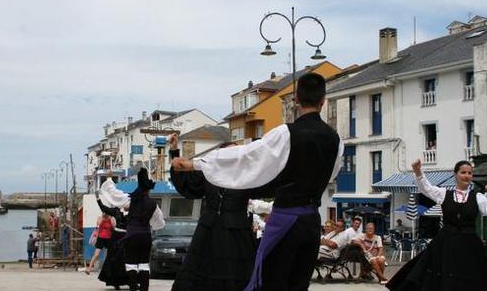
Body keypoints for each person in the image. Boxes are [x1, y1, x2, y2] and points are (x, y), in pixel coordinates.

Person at [172, 73, 344, 290]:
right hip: (311, 222)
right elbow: (330, 175)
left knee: (271, 282)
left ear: (296, 100)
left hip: (286, 222)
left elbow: (246, 156)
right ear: (323, 101)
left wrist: (195, 164)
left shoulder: (286, 133)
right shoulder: (336, 140)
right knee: (299, 284)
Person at [168, 136, 274, 291]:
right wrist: (174, 150)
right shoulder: (208, 172)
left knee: (236, 275)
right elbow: (184, 180)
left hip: (235, 232)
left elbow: (269, 179)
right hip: (209, 230)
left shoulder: (246, 175)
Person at [386, 159, 487, 290]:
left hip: (469, 242)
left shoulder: (478, 197)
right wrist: (418, 171)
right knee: (439, 273)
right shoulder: (444, 193)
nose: (467, 175)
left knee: (474, 274)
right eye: (463, 172)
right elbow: (427, 188)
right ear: (455, 174)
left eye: (469, 173)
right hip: (446, 241)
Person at [98, 168, 165, 291]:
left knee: (131, 265)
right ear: (149, 189)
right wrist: (149, 224)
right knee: (144, 265)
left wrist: (109, 179)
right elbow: (160, 223)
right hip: (146, 236)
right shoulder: (153, 204)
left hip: (132, 236)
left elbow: (113, 193)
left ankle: (133, 288)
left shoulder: (130, 199)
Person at [95, 192, 129, 289]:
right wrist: (98, 198)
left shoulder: (133, 211)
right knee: (114, 259)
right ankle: (115, 282)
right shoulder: (116, 211)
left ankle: (131, 281)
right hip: (117, 237)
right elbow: (103, 208)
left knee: (128, 259)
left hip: (127, 236)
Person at [86, 207, 114, 274]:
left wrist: (110, 218)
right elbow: (98, 223)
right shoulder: (100, 218)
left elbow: (114, 225)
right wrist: (102, 217)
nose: (105, 214)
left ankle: (106, 269)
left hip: (109, 238)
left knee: (107, 255)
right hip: (101, 238)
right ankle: (89, 268)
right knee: (96, 254)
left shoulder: (111, 218)